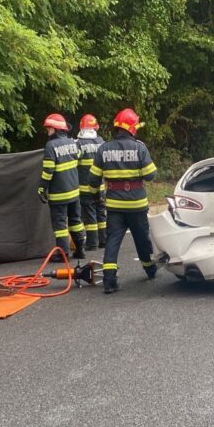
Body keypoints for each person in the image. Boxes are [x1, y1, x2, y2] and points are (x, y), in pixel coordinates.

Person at [87, 108, 157, 294]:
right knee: (142, 239)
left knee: (113, 240)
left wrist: (94, 194)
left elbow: (93, 178)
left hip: (114, 206)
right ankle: (150, 269)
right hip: (137, 205)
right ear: (132, 128)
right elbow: (151, 174)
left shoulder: (104, 148)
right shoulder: (139, 148)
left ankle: (109, 281)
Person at [38, 114, 86, 259]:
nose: (48, 131)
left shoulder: (50, 145)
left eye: (49, 128)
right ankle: (80, 249)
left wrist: (42, 188)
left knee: (60, 224)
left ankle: (63, 253)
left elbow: (48, 170)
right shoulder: (73, 142)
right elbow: (79, 156)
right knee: (75, 221)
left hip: (58, 193)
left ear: (56, 129)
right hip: (74, 191)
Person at [76, 114, 106, 251]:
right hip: (101, 186)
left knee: (89, 214)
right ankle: (103, 240)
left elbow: (74, 162)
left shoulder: (78, 144)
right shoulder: (101, 142)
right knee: (101, 212)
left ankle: (92, 243)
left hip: (85, 187)